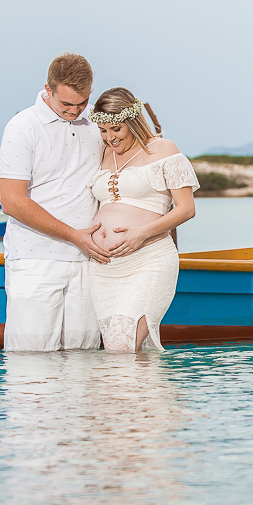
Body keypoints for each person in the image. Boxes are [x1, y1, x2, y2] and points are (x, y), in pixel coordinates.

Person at [0, 53, 111, 351]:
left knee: (83, 365)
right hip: (35, 259)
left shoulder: (97, 127)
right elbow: (11, 201)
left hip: (88, 260)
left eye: (82, 102)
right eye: (66, 104)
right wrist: (74, 236)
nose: (75, 110)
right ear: (48, 89)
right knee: (31, 366)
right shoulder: (22, 127)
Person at [87, 87, 199, 352]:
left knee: (120, 347)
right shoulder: (104, 153)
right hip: (104, 269)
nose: (109, 137)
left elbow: (186, 209)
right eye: (103, 130)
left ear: (133, 121)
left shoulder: (163, 149)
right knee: (126, 350)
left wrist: (141, 233)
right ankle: (152, 394)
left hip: (147, 259)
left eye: (116, 129)